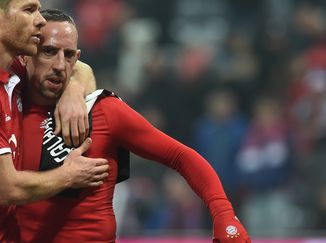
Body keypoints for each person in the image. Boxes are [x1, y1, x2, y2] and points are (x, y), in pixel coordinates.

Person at [17, 9, 251, 242]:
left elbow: (181, 156)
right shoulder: (5, 108)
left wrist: (224, 214)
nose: (59, 65)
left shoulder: (103, 110)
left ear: (77, 58)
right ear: (25, 54)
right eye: (48, 52)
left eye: (68, 55)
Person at [0, 1, 108, 242]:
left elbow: (79, 67)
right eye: (29, 9)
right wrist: (69, 175)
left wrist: (73, 90)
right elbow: (8, 189)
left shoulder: (11, 73)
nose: (40, 20)